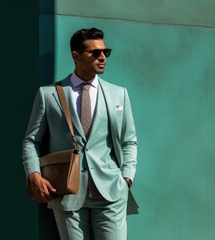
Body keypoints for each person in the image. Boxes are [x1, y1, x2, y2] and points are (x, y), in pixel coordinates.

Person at [22, 27, 138, 239]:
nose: (102, 57)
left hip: (111, 191)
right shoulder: (48, 95)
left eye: (105, 52)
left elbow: (129, 140)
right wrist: (34, 174)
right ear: (76, 56)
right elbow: (31, 140)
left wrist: (126, 177)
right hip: (67, 192)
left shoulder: (118, 94)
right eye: (95, 53)